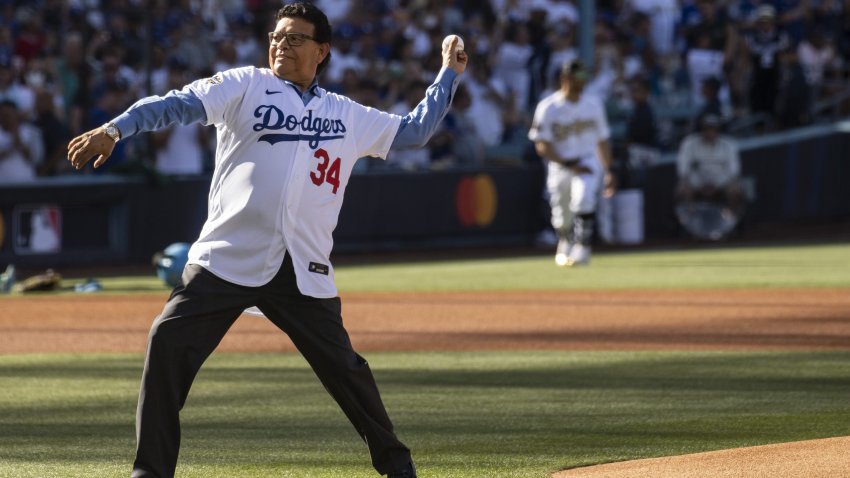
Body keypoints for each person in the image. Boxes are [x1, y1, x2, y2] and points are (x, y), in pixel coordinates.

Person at [66, 4, 467, 478]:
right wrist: (116, 129)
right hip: (226, 259)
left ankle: (398, 466)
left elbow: (416, 131)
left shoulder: (346, 113)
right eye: (277, 36)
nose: (282, 44)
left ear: (323, 51)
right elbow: (173, 105)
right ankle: (150, 473)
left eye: (296, 38)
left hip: (301, 269)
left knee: (347, 373)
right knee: (166, 341)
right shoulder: (245, 85)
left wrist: (448, 73)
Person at [528, 59, 614, 267]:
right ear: (565, 78)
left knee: (583, 199)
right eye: (579, 76)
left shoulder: (593, 104)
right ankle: (565, 242)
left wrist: (609, 170)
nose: (583, 81)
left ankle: (582, 248)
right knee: (561, 214)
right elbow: (542, 145)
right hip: (560, 164)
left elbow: (602, 140)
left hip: (587, 160)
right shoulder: (548, 107)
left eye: (585, 77)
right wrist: (568, 164)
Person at [675, 114, 744, 212]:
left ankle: (731, 221)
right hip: (697, 183)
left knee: (735, 189)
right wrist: (700, 185)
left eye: (713, 129)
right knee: (682, 189)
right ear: (701, 129)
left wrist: (716, 184)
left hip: (721, 183)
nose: (710, 132)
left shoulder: (729, 145)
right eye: (707, 129)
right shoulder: (689, 144)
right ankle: (688, 222)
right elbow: (683, 169)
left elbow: (734, 170)